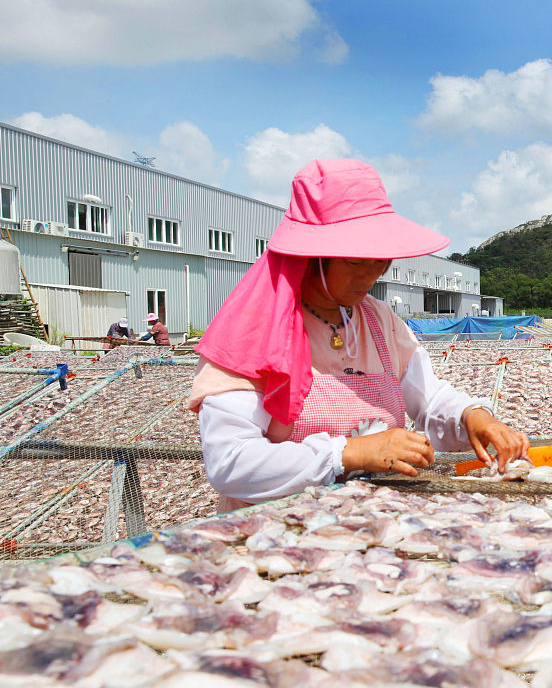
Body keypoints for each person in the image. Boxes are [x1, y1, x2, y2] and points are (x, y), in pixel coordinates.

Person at [187, 158, 529, 512]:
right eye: (354, 261)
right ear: (313, 255)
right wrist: (350, 453)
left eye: (380, 261)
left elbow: (429, 397)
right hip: (275, 536)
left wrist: (472, 416)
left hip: (369, 530)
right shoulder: (255, 328)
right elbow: (230, 462)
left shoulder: (378, 319)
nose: (370, 275)